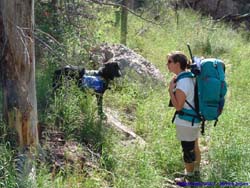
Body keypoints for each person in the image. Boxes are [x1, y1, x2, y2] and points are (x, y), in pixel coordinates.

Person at [167, 51, 201, 183]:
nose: (167, 64)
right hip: (194, 120)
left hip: (186, 122)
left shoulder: (182, 82)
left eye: (169, 62)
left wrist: (171, 90)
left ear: (177, 64)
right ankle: (196, 171)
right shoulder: (191, 76)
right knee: (195, 145)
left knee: (188, 150)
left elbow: (179, 106)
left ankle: (189, 177)